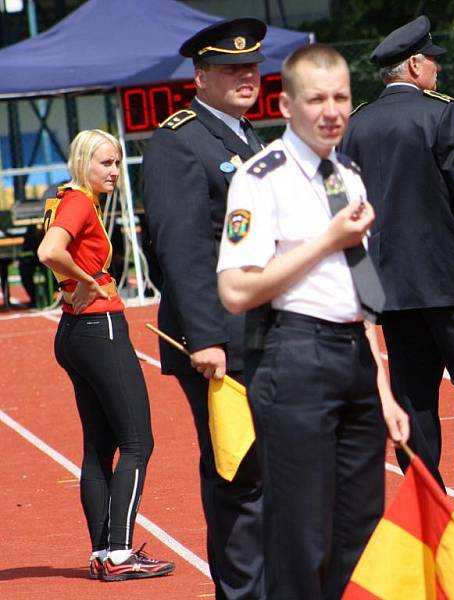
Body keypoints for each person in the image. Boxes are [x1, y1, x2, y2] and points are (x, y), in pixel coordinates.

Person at [216, 43, 410, 599]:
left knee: (359, 528)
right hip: (293, 354)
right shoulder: (262, 177)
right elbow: (234, 290)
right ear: (286, 106)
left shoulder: (347, 174)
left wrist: (384, 388)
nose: (332, 110)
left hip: (354, 356)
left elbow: (357, 288)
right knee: (301, 537)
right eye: (317, 99)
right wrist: (328, 239)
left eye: (342, 97)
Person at [340, 15, 454, 529]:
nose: (437, 67)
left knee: (413, 388)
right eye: (433, 59)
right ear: (415, 65)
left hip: (390, 280)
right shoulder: (443, 113)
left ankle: (424, 492)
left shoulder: (355, 123)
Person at [142, 17, 268, 600]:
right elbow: (180, 246)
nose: (247, 76)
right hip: (221, 341)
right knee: (237, 475)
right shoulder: (178, 139)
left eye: (251, 67)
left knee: (271, 472)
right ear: (201, 76)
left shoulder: (250, 137)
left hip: (267, 335)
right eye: (231, 69)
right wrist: (205, 337)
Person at [36, 129, 175, 581]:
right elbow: (49, 251)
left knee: (100, 447)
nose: (114, 171)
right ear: (83, 162)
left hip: (75, 332)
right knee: (139, 443)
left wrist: (78, 281)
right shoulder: (78, 201)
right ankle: (118, 552)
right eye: (105, 163)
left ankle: (103, 552)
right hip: (99, 329)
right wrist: (90, 282)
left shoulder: (68, 197)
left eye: (117, 162)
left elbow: (60, 254)